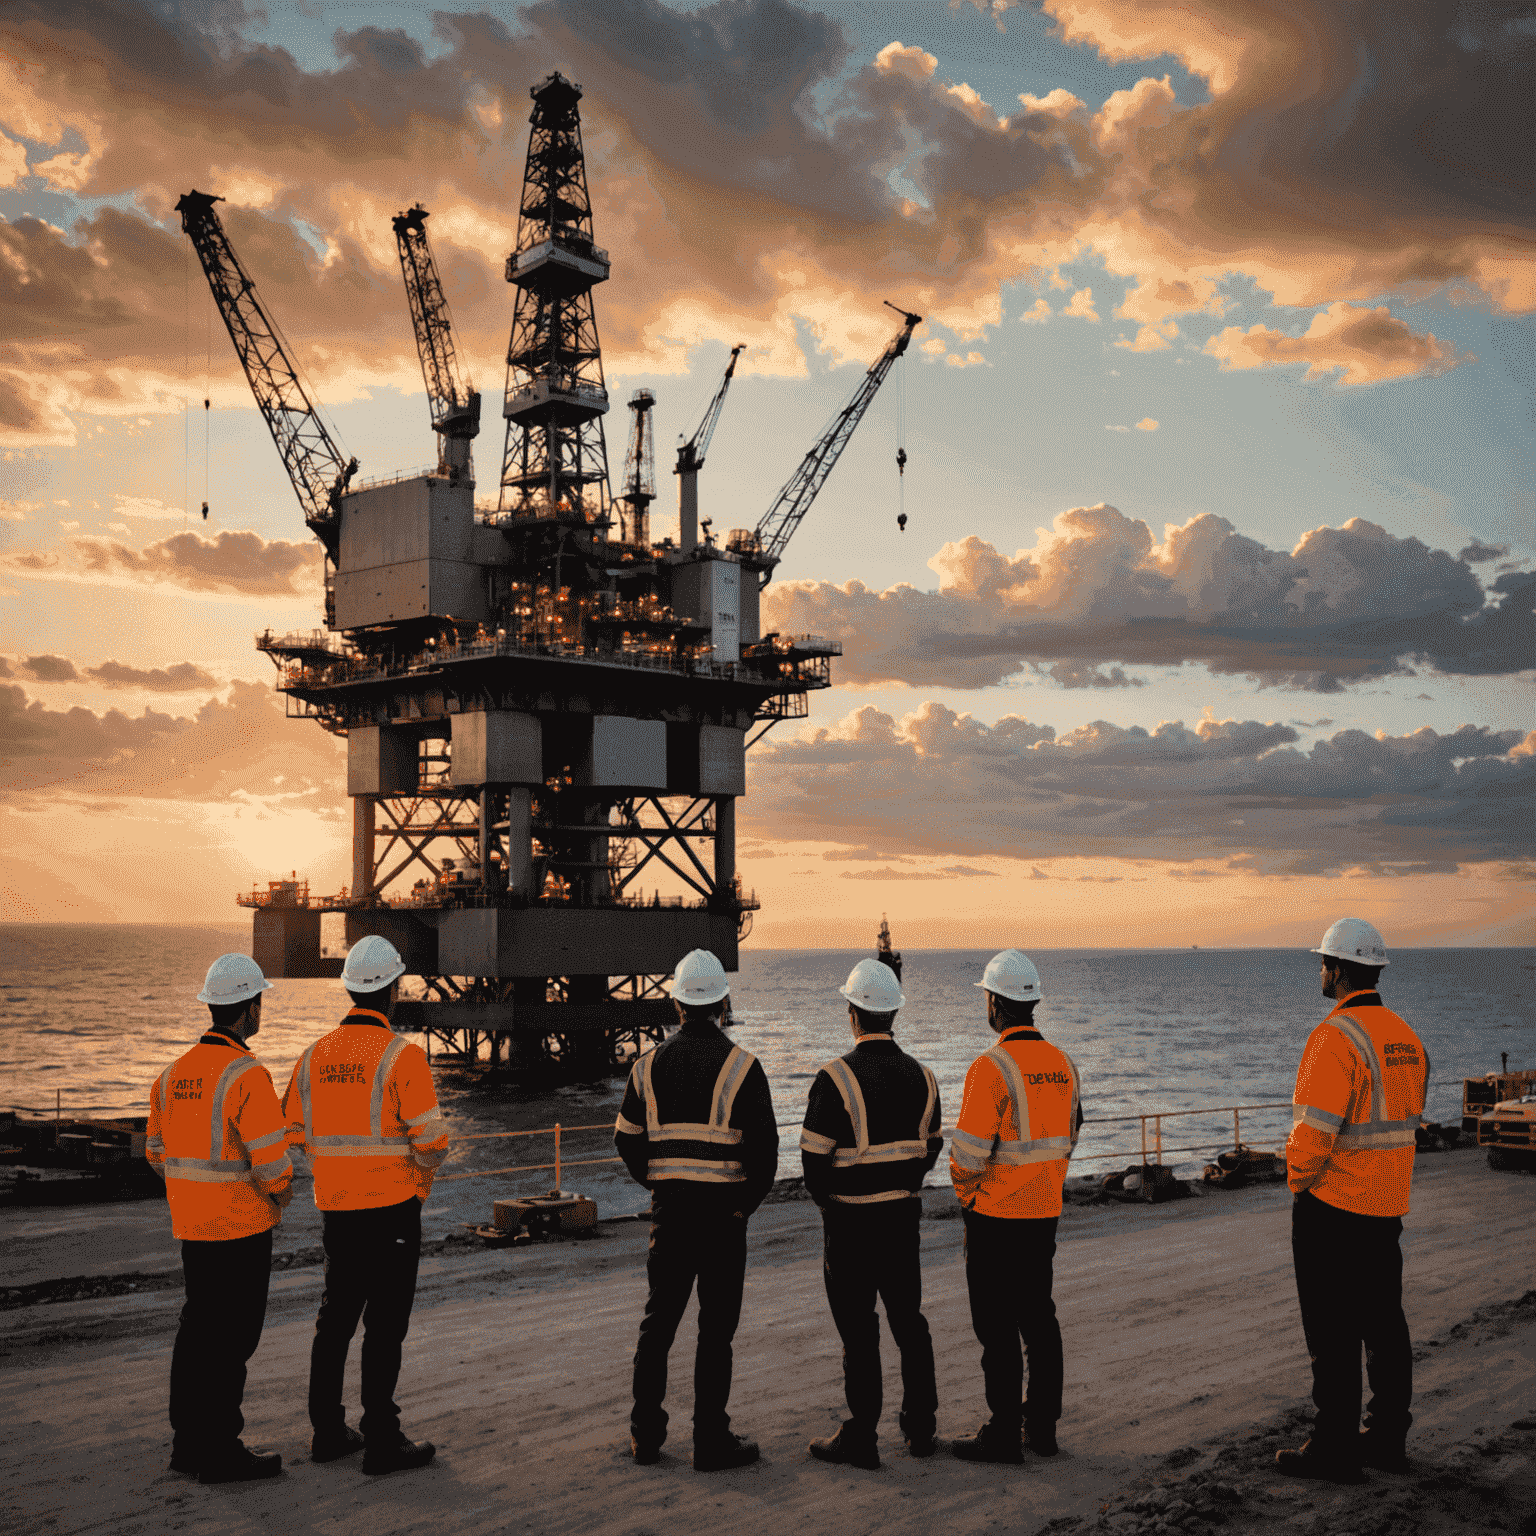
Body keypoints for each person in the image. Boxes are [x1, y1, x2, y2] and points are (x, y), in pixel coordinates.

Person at [282, 934, 449, 1476]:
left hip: (337, 1209)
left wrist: (337, 1168)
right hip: (393, 1211)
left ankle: (328, 1432)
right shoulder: (403, 1056)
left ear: (350, 989)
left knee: (334, 1324)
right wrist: (415, 1185)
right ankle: (382, 1440)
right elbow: (433, 1142)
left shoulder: (313, 1057)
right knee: (383, 1328)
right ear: (393, 991)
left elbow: (294, 1131)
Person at [614, 948, 778, 1472]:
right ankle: (711, 1439)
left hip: (672, 1214)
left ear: (676, 1003)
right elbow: (767, 1155)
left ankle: (646, 1435)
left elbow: (626, 1140)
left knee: (658, 1324)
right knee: (715, 1331)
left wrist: (658, 1182)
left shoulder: (646, 1067)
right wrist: (741, 1207)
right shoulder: (744, 1068)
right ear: (723, 1003)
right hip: (723, 1220)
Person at [1277, 918, 1429, 1483]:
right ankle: (1387, 1438)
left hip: (1333, 1207)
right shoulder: (1405, 1037)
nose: (1321, 971)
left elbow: (1314, 1134)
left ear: (1338, 971)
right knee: (1385, 1324)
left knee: (1332, 1329)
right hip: (1386, 1204)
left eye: (1324, 963)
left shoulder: (1334, 1038)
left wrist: (1298, 1181)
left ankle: (1335, 1446)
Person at [146, 953, 292, 1484]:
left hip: (193, 1227)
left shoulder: (172, 1074)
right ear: (249, 1009)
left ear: (211, 1006)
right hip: (242, 1228)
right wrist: (278, 1200)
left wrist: (190, 1192)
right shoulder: (248, 1075)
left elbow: (155, 1150)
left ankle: (188, 1445)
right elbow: (274, 1165)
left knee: (197, 1331)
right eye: (260, 1004)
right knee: (232, 1339)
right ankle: (223, 1450)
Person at [799, 958, 943, 1470]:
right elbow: (929, 1150)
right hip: (901, 1221)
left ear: (853, 1013)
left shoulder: (834, 1079)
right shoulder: (925, 1078)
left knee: (859, 1332)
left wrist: (836, 1205)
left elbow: (813, 1165)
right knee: (910, 1322)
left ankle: (861, 1435)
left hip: (851, 1226)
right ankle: (921, 1428)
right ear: (894, 1013)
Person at [949, 949, 1082, 1464]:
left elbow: (967, 1155)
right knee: (1039, 1321)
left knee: (997, 1327)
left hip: (995, 1218)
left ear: (995, 1005)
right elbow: (1071, 1132)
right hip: (1043, 1213)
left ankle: (1003, 1432)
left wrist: (969, 1197)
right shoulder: (1064, 1064)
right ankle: (1042, 1429)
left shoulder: (990, 1068)